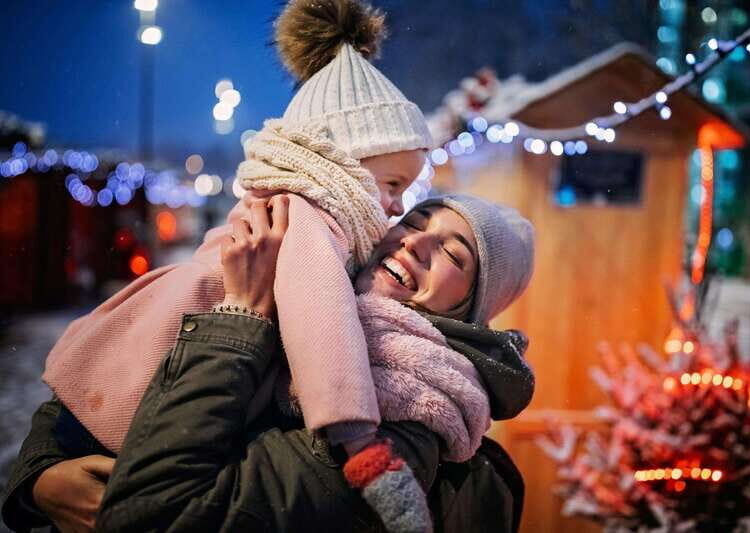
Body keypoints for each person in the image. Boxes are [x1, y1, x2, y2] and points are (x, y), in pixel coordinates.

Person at [41, 0, 439, 526]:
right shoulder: (312, 216)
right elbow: (324, 327)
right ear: (341, 159)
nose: (395, 207)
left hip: (135, 390)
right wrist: (359, 438)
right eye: (392, 185)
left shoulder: (276, 203)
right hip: (152, 405)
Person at [2, 194, 535, 532]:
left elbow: (153, 517)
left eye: (454, 254)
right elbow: (118, 370)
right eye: (416, 219)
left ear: (471, 307)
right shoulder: (305, 287)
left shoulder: (411, 409)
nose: (415, 241)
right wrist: (40, 476)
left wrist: (240, 319)